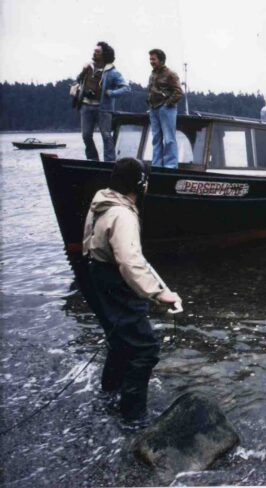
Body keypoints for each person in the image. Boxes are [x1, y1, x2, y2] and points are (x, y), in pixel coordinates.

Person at [82, 157, 182, 424]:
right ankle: (134, 418)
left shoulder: (101, 203)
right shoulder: (123, 214)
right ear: (140, 183)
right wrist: (158, 293)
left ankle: (109, 393)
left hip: (99, 275)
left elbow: (89, 246)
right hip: (115, 281)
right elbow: (129, 261)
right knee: (145, 349)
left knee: (119, 341)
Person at [74, 42, 130, 161]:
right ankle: (93, 160)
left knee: (106, 136)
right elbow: (78, 80)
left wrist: (111, 93)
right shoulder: (88, 67)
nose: (94, 53)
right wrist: (83, 72)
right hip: (86, 106)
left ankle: (109, 162)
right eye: (94, 51)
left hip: (103, 109)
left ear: (104, 54)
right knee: (86, 136)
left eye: (97, 51)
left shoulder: (112, 72)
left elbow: (126, 88)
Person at [147, 49, 183, 168]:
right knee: (156, 139)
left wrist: (167, 104)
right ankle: (156, 165)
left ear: (161, 60)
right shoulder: (152, 74)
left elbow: (178, 92)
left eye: (154, 59)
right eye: (150, 59)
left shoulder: (170, 74)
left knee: (169, 139)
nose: (151, 61)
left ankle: (171, 166)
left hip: (166, 109)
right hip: (153, 109)